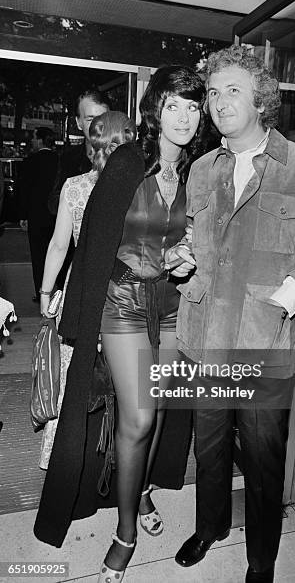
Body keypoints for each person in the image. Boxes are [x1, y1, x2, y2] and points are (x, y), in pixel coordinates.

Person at [165, 45, 295, 583]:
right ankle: (211, 525)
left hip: (265, 342)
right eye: (213, 93)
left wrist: (293, 293)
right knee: (211, 448)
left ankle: (261, 559)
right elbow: (197, 243)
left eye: (232, 90)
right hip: (205, 339)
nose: (219, 102)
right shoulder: (201, 170)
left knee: (265, 461)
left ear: (261, 99)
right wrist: (183, 257)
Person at [33, 65, 208, 579]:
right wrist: (163, 257)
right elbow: (99, 250)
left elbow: (203, 233)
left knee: (161, 410)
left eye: (193, 107)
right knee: (139, 418)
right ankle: (124, 531)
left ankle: (144, 493)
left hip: (174, 306)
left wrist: (194, 250)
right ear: (155, 108)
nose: (183, 116)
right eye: (173, 104)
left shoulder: (198, 169)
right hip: (124, 302)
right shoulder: (130, 161)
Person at [38, 111, 136, 470]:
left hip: (81, 290)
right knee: (123, 383)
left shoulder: (75, 187)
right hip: (125, 291)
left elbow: (59, 246)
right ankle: (118, 462)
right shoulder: (139, 188)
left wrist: (47, 295)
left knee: (75, 382)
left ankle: (67, 460)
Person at [48, 89, 110, 290]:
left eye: (103, 116)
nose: (98, 124)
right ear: (78, 122)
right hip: (75, 262)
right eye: (90, 118)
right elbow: (52, 203)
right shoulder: (68, 158)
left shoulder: (125, 159)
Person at [19, 127, 58, 301]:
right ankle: (59, 290)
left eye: (34, 138)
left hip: (36, 216)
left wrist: (23, 215)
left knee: (38, 255)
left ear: (41, 140)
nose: (32, 141)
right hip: (57, 215)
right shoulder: (60, 160)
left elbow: (24, 191)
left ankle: (42, 292)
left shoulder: (30, 162)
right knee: (58, 252)